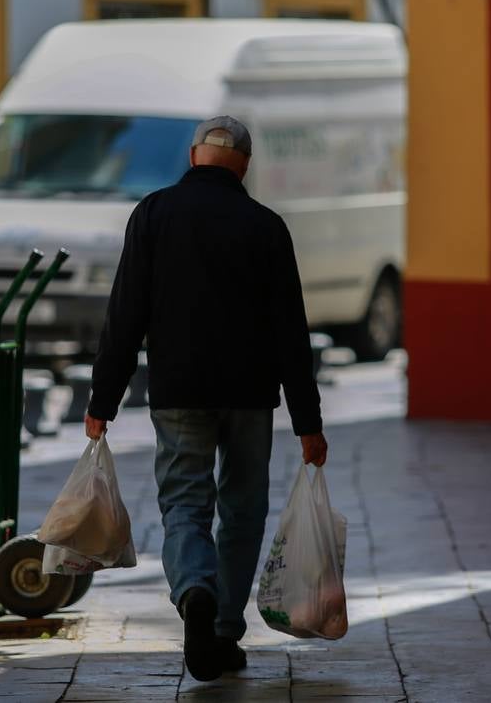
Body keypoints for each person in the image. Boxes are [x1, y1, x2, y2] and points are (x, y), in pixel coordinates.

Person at [85, 115, 329, 681]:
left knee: (185, 505)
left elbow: (124, 318)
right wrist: (308, 422)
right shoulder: (267, 227)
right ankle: (221, 630)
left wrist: (102, 400)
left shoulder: (153, 215)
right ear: (243, 164)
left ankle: (194, 588)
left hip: (179, 391)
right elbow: (291, 333)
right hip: (249, 395)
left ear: (195, 156)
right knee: (242, 509)